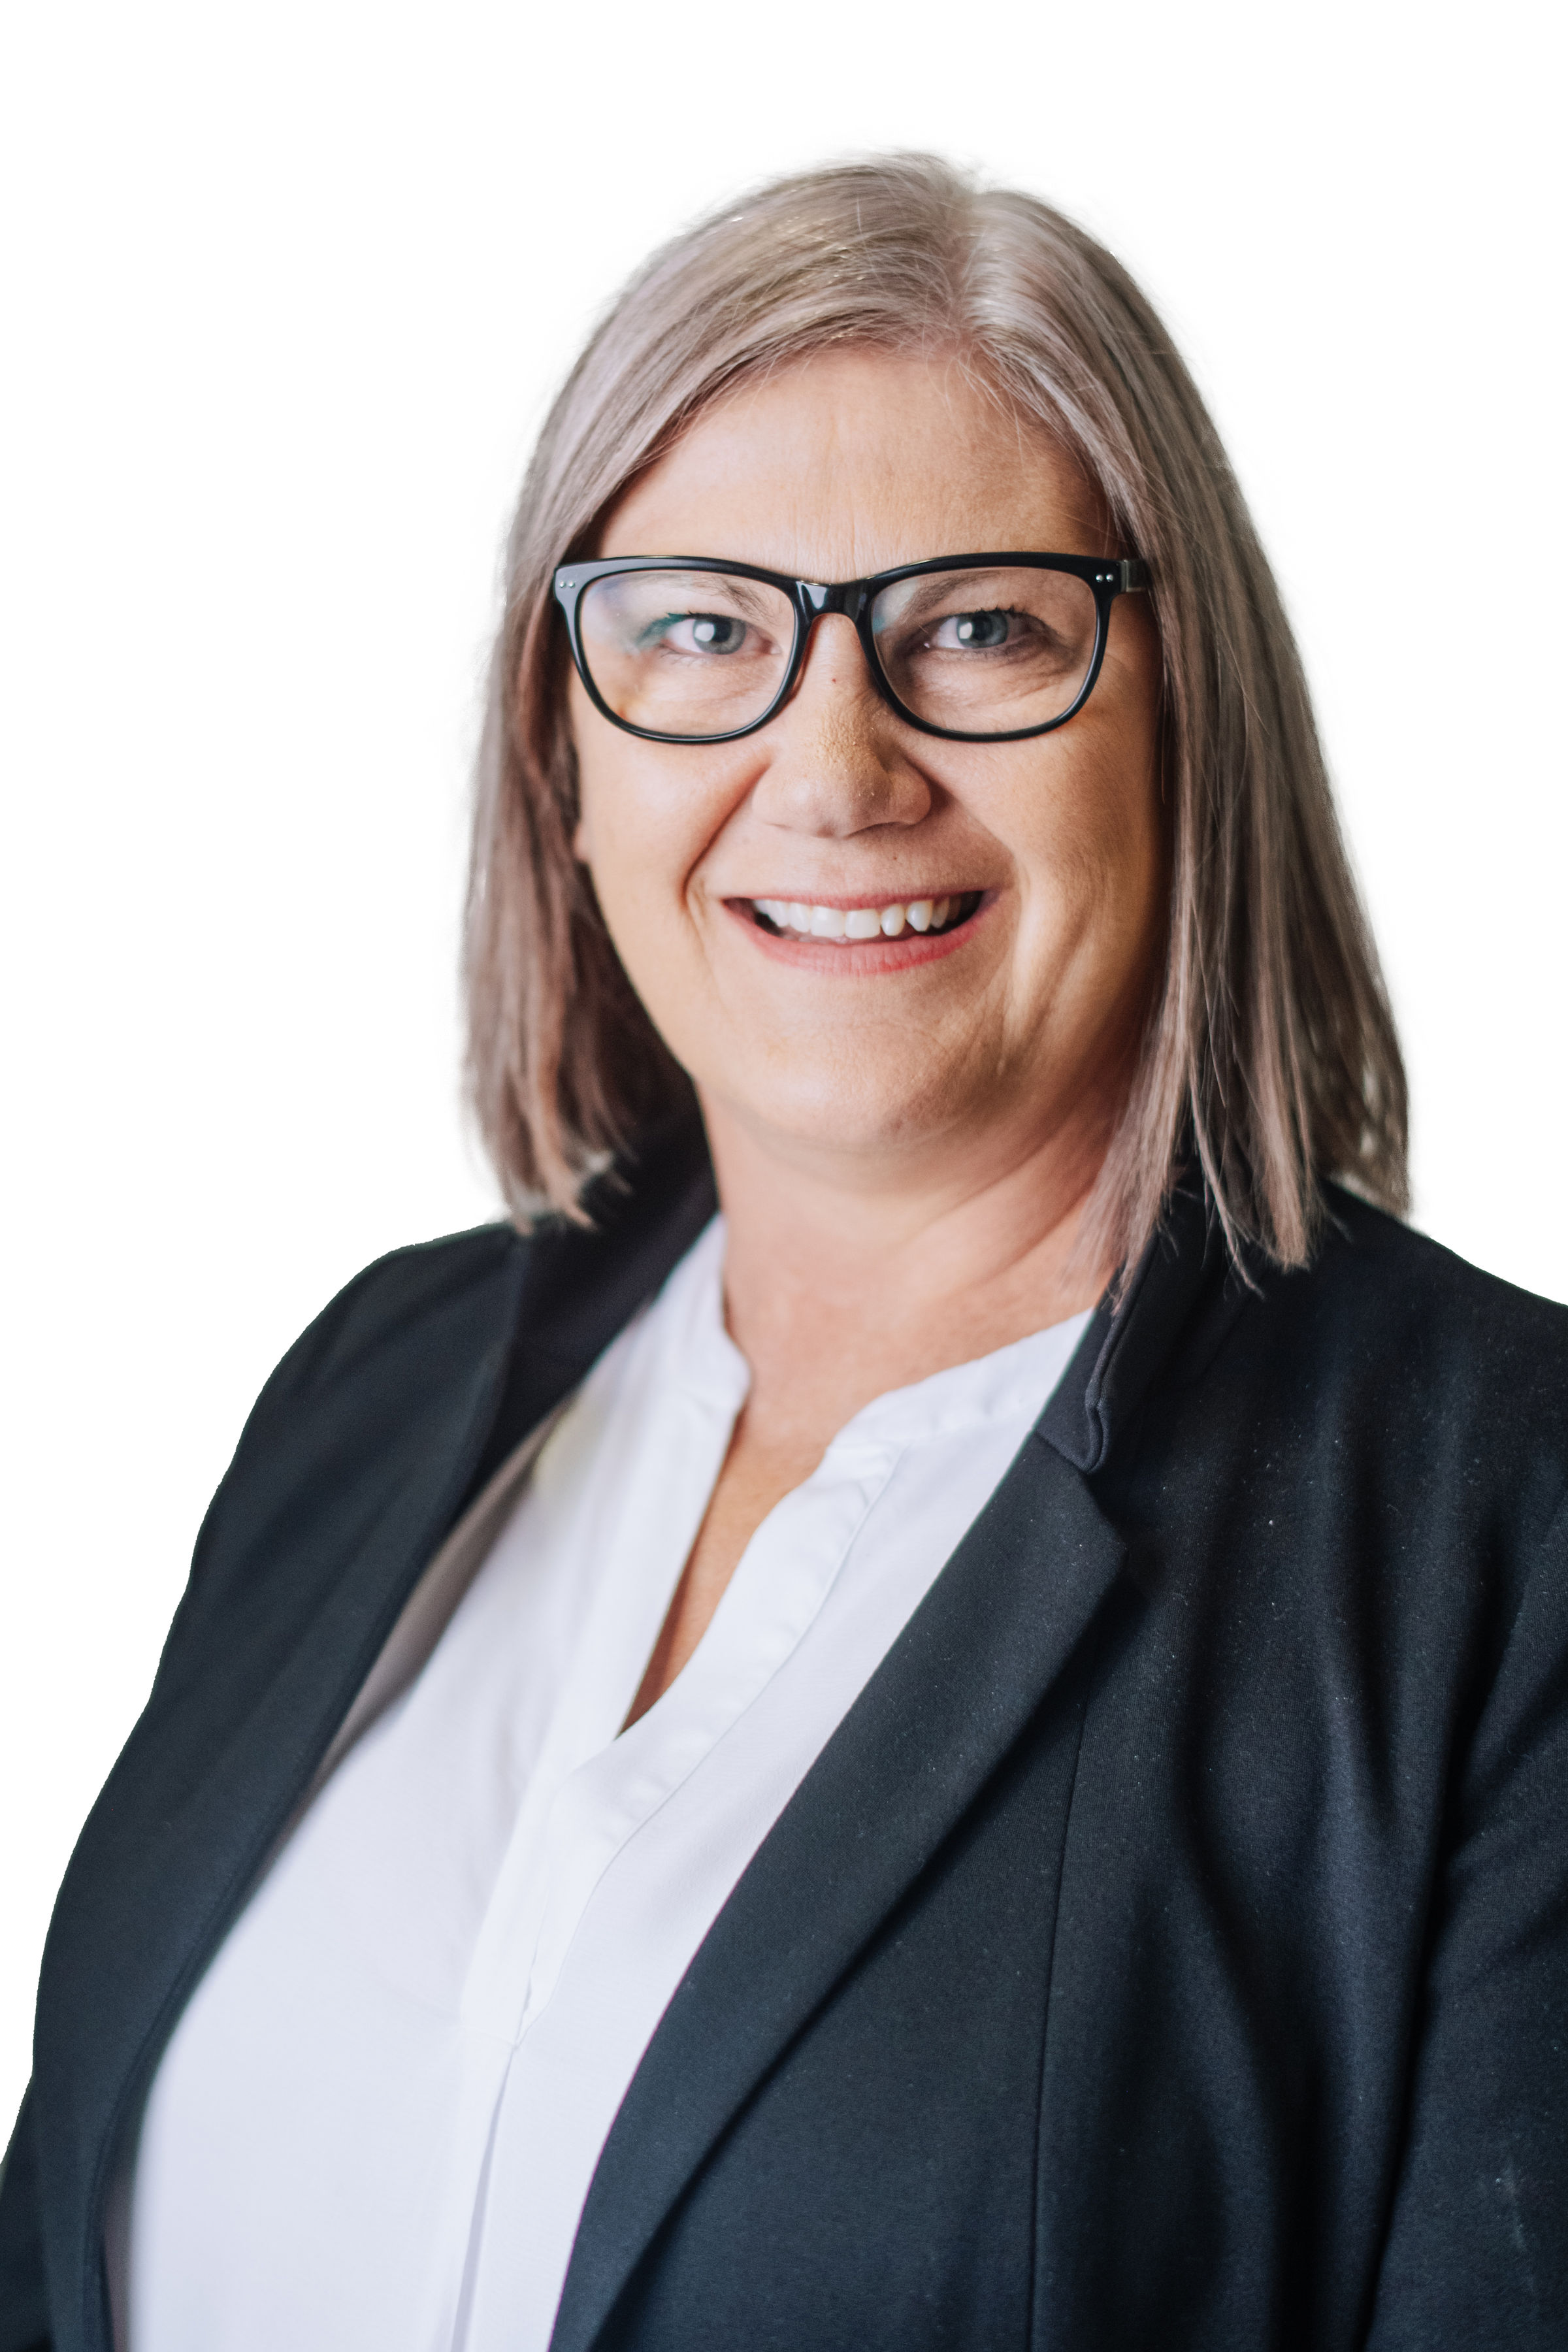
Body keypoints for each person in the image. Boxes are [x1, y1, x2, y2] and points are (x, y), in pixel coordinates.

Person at [3, 153, 1565, 2352]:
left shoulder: (1507, 1535)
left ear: (1186, 723)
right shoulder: (372, 1385)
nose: (832, 768)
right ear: (563, 747)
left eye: (984, 628)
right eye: (702, 629)